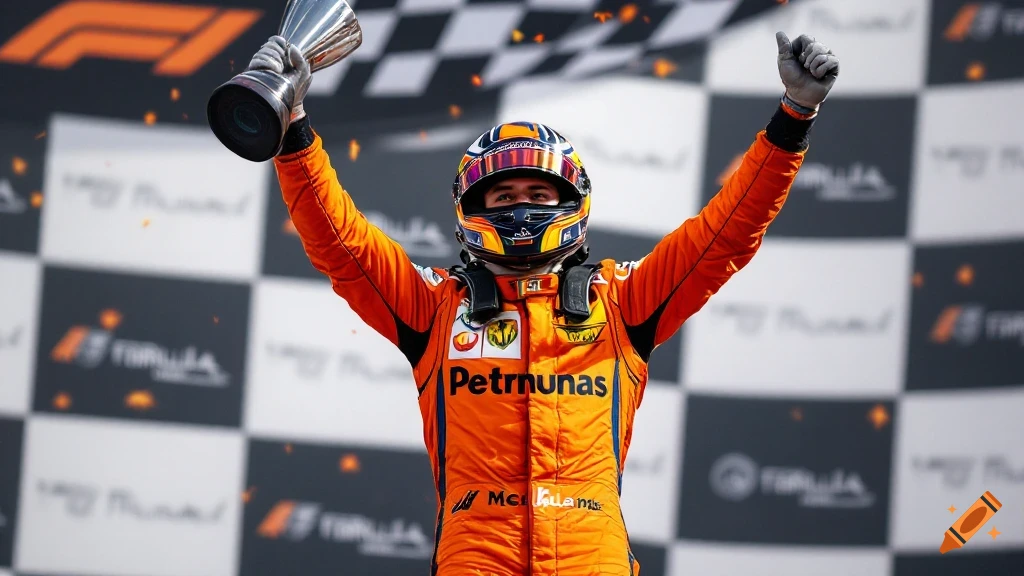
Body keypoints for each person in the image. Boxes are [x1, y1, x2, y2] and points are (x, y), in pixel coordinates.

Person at [250, 30, 838, 576]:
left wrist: (793, 117)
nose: (522, 207)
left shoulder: (624, 300)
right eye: (503, 194)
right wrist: (294, 130)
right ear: (469, 210)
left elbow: (726, 233)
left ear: (573, 201)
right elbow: (341, 243)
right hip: (475, 557)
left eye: (538, 192)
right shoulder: (434, 306)